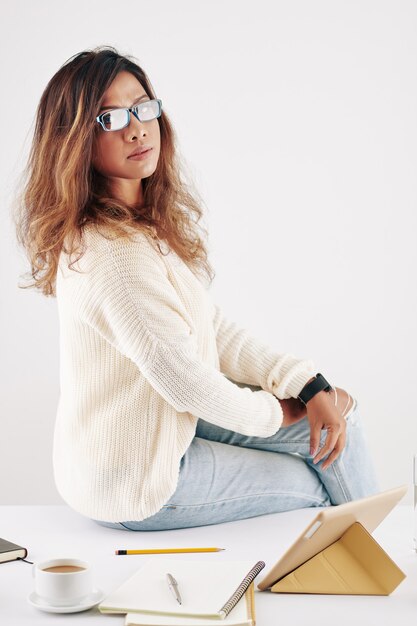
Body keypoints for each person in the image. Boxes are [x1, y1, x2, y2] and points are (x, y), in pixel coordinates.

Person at [14, 46, 379, 532]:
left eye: (143, 106)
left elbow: (211, 328)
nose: (137, 128)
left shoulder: (137, 226)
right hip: (135, 480)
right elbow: (189, 381)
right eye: (110, 118)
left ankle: (371, 565)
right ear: (74, 141)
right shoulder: (114, 256)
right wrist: (278, 412)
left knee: (338, 427)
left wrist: (307, 385)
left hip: (160, 427)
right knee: (317, 475)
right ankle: (379, 566)